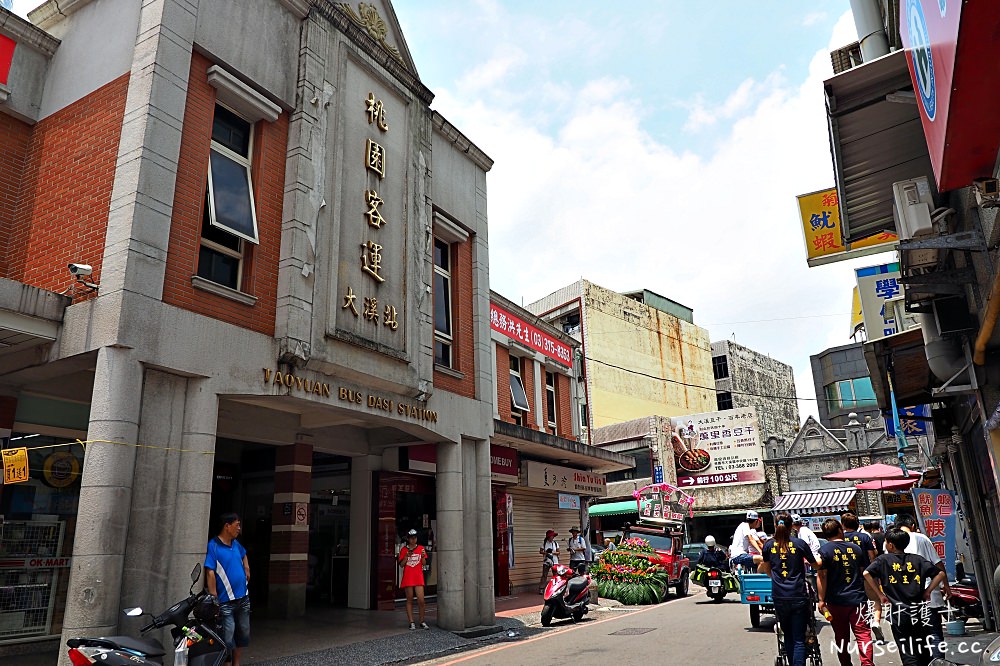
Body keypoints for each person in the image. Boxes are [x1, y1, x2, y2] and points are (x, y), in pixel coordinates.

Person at [864, 528, 948, 666]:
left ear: (890, 544)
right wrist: (927, 591)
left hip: (899, 614)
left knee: (907, 652)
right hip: (920, 612)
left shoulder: (883, 560)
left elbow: (866, 573)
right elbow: (940, 574)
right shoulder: (917, 559)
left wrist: (880, 595)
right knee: (923, 650)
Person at [757, 512, 820, 666]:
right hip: (798, 595)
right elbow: (816, 565)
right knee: (799, 638)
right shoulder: (799, 544)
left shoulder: (768, 545)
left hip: (779, 596)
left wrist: (775, 578)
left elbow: (766, 569)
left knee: (788, 636)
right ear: (792, 525)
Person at [817, 519, 874, 666]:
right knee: (863, 635)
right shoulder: (856, 549)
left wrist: (821, 599)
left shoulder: (825, 551)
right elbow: (863, 572)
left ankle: (845, 664)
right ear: (840, 530)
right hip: (858, 599)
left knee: (841, 637)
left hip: (836, 601)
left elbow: (822, 576)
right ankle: (867, 663)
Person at [896, 514, 950, 657]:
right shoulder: (922, 538)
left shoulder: (891, 542)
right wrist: (946, 586)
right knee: (935, 633)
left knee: (916, 635)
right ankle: (939, 662)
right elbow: (938, 564)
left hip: (906, 597)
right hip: (929, 592)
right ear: (913, 526)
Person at [205, 513, 251, 666]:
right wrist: (214, 597)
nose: (239, 528)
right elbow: (210, 571)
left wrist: (246, 567)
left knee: (242, 633)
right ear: (227, 526)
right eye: (237, 525)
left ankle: (236, 663)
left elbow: (244, 554)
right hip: (226, 601)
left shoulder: (236, 544)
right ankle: (226, 664)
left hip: (243, 597)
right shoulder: (214, 545)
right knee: (227, 636)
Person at [842, 512, 883, 643]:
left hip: (849, 576)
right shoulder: (864, 537)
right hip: (867, 573)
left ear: (843, 525)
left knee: (858, 603)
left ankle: (861, 626)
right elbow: (872, 556)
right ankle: (876, 621)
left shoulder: (841, 538)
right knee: (875, 599)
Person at [398, 529, 429, 630]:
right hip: (408, 577)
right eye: (411, 538)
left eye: (415, 538)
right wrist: (406, 556)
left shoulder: (421, 548)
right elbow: (401, 565)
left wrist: (423, 556)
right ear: (408, 539)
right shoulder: (404, 550)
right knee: (409, 599)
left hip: (418, 577)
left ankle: (422, 620)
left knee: (421, 600)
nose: (413, 540)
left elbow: (424, 563)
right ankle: (411, 621)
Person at [538, 529, 559, 593]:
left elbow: (558, 552)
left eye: (553, 536)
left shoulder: (555, 543)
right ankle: (541, 588)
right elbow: (540, 551)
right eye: (551, 536)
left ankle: (556, 588)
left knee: (555, 575)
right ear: (548, 537)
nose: (552, 537)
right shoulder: (544, 543)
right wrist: (546, 552)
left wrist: (552, 552)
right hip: (546, 561)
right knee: (544, 575)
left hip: (554, 561)